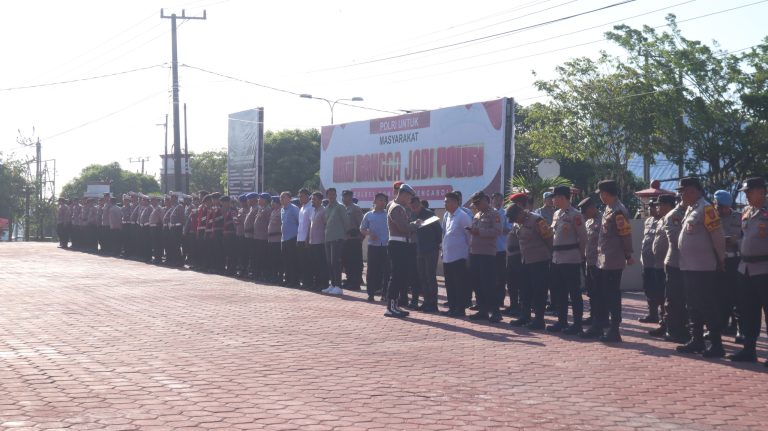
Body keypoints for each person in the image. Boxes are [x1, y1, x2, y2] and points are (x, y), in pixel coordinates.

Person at [675, 177, 726, 357]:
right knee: (693, 305)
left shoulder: (706, 208)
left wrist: (721, 259)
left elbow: (717, 236)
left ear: (693, 190)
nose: (681, 195)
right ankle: (696, 340)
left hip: (703, 268)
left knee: (708, 305)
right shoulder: (691, 209)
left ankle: (717, 344)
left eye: (683, 191)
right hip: (689, 267)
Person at [588, 179, 634, 343]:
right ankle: (598, 325)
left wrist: (628, 254)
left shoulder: (618, 211)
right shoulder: (608, 209)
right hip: (602, 259)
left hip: (613, 260)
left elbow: (625, 234)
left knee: (612, 295)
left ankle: (615, 329)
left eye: (601, 193)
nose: (600, 197)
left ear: (605, 194)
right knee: (599, 293)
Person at [728, 177, 768, 364]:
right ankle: (749, 349)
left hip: (764, 269)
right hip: (745, 269)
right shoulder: (747, 212)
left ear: (761, 191)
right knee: (748, 312)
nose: (746, 195)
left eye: (748, 192)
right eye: (744, 192)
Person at [548, 185, 587, 334]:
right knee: (560, 292)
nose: (553, 200)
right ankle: (562, 321)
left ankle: (577, 324)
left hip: (570, 257)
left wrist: (581, 255)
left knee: (574, 293)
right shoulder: (557, 214)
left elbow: (583, 237)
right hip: (557, 258)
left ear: (562, 198)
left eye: (555, 197)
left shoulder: (575, 215)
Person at [508, 203, 552, 328]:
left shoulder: (537, 219)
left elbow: (549, 238)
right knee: (525, 290)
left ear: (520, 213)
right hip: (525, 260)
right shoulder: (518, 222)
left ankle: (539, 319)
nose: (515, 221)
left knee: (539, 291)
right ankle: (525, 316)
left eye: (515, 218)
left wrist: (551, 256)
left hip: (539, 260)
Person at [468, 191, 504, 323]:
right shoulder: (477, 214)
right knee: (477, 283)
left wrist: (480, 232)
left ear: (484, 200)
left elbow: (498, 231)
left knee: (488, 283)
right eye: (475, 204)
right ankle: (482, 310)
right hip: (475, 252)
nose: (476, 206)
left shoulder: (494, 213)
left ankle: (495, 311)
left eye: (478, 203)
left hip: (487, 253)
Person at [385, 183, 419, 317]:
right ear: (404, 194)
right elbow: (403, 228)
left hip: (400, 244)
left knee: (400, 276)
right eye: (409, 196)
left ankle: (394, 305)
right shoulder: (397, 208)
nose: (410, 199)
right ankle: (391, 307)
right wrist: (415, 225)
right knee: (397, 276)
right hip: (398, 245)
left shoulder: (398, 207)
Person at [713, 189, 742, 336]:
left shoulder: (740, 217)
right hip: (718, 261)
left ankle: (737, 328)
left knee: (737, 295)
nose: (721, 209)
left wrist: (736, 242)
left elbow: (747, 237)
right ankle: (720, 326)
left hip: (735, 260)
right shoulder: (711, 218)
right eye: (718, 206)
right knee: (719, 296)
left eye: (724, 206)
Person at [648, 194, 676, 338]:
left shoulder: (674, 218)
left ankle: (671, 325)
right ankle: (663, 323)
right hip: (658, 265)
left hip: (669, 264)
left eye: (660, 205)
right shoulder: (660, 220)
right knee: (659, 296)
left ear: (668, 205)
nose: (657, 207)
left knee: (668, 297)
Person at [441, 191, 472, 317]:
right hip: (448, 256)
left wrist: (468, 254)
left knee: (459, 284)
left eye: (447, 202)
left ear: (455, 202)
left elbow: (469, 236)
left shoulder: (463, 216)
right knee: (450, 284)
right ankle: (452, 307)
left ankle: (460, 309)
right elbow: (445, 234)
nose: (445, 204)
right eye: (445, 202)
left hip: (459, 256)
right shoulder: (447, 215)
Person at [410, 197, 442, 312]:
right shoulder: (413, 215)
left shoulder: (429, 213)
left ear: (419, 204)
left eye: (415, 204)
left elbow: (439, 232)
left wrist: (436, 245)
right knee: (422, 277)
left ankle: (433, 304)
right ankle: (426, 301)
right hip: (419, 250)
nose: (414, 207)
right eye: (412, 205)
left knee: (430, 277)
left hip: (431, 250)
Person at [360, 193, 389, 302]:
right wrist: (369, 233)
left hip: (386, 246)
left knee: (386, 271)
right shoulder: (368, 215)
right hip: (373, 246)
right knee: (372, 271)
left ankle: (385, 294)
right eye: (380, 200)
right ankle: (370, 293)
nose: (383, 202)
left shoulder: (388, 214)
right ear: (375, 201)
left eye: (384, 200)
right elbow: (362, 229)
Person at [577, 197, 601, 329]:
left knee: (599, 291)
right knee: (591, 291)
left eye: (585, 212)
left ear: (592, 208)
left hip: (599, 262)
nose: (584, 215)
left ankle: (601, 317)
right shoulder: (588, 221)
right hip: (589, 261)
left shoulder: (602, 220)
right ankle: (594, 315)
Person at [503, 193, 529, 317]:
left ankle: (521, 308)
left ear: (522, 204)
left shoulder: (527, 218)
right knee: (511, 283)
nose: (515, 205)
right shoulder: (514, 216)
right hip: (511, 255)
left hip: (520, 255)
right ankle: (513, 306)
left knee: (521, 284)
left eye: (517, 203)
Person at [639, 200, 664, 324]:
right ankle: (652, 314)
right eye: (649, 207)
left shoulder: (664, 220)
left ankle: (664, 317)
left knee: (660, 291)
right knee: (648, 289)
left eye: (653, 207)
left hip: (658, 264)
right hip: (646, 262)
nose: (650, 209)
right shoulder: (648, 221)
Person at [322, 188, 349, 295]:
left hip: (337, 238)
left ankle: (338, 286)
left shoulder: (340, 207)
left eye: (333, 194)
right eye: (329, 194)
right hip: (328, 238)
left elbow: (346, 222)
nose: (331, 196)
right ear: (327, 195)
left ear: (336, 195)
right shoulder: (327, 207)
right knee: (329, 262)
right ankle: (332, 284)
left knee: (335, 262)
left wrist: (345, 235)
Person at [491, 192, 511, 316]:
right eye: (496, 199)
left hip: (501, 248)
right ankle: (491, 300)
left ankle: (500, 300)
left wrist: (497, 228)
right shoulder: (489, 213)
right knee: (491, 277)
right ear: (492, 200)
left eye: (500, 199)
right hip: (490, 249)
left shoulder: (505, 213)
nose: (498, 202)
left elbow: (509, 228)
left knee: (500, 277)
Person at [341, 190, 364, 291]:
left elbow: (362, 225)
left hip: (354, 240)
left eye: (347, 196)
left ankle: (356, 283)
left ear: (351, 197)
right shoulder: (342, 208)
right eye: (344, 196)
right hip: (345, 240)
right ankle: (349, 280)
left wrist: (360, 238)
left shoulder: (356, 208)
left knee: (355, 263)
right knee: (347, 262)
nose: (345, 198)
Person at [308, 191, 329, 291]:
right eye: (312, 199)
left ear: (320, 200)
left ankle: (323, 284)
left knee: (321, 264)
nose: (312, 200)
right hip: (312, 242)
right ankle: (316, 283)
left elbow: (326, 226)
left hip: (320, 242)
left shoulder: (323, 211)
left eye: (314, 199)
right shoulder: (313, 211)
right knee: (314, 264)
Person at [280, 191, 301, 287]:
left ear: (289, 198)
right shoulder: (282, 210)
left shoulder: (294, 209)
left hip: (292, 238)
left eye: (283, 197)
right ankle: (288, 280)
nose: (281, 199)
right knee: (286, 261)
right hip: (284, 239)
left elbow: (299, 223)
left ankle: (294, 281)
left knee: (293, 261)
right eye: (281, 197)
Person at [296, 189, 313, 288]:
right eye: (299, 196)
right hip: (300, 238)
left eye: (302, 196)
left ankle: (309, 282)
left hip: (306, 239)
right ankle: (305, 281)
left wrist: (307, 238)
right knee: (302, 262)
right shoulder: (302, 208)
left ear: (307, 196)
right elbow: (300, 225)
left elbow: (311, 224)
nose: (300, 198)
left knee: (307, 263)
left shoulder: (310, 207)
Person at [253, 193, 272, 282]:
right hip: (257, 237)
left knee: (263, 257)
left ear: (265, 200)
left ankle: (264, 275)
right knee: (257, 257)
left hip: (263, 238)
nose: (258, 200)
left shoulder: (268, 209)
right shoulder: (261, 209)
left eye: (260, 198)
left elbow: (269, 223)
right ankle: (258, 274)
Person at [267, 196, 283, 284]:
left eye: (273, 201)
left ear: (277, 202)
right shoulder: (273, 211)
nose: (272, 203)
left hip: (277, 239)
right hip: (271, 239)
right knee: (272, 259)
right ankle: (274, 276)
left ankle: (279, 277)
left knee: (278, 259)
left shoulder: (281, 211)